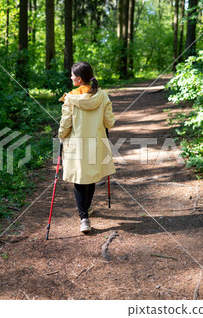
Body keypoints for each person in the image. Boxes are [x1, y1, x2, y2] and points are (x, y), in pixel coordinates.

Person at [58, 62, 116, 233]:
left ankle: (84, 218)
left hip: (76, 145)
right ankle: (87, 209)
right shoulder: (103, 96)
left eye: (72, 75)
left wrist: (60, 135)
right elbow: (109, 122)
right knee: (90, 176)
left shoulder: (70, 98)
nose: (70, 77)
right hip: (95, 143)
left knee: (79, 178)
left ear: (79, 79)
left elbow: (65, 124)